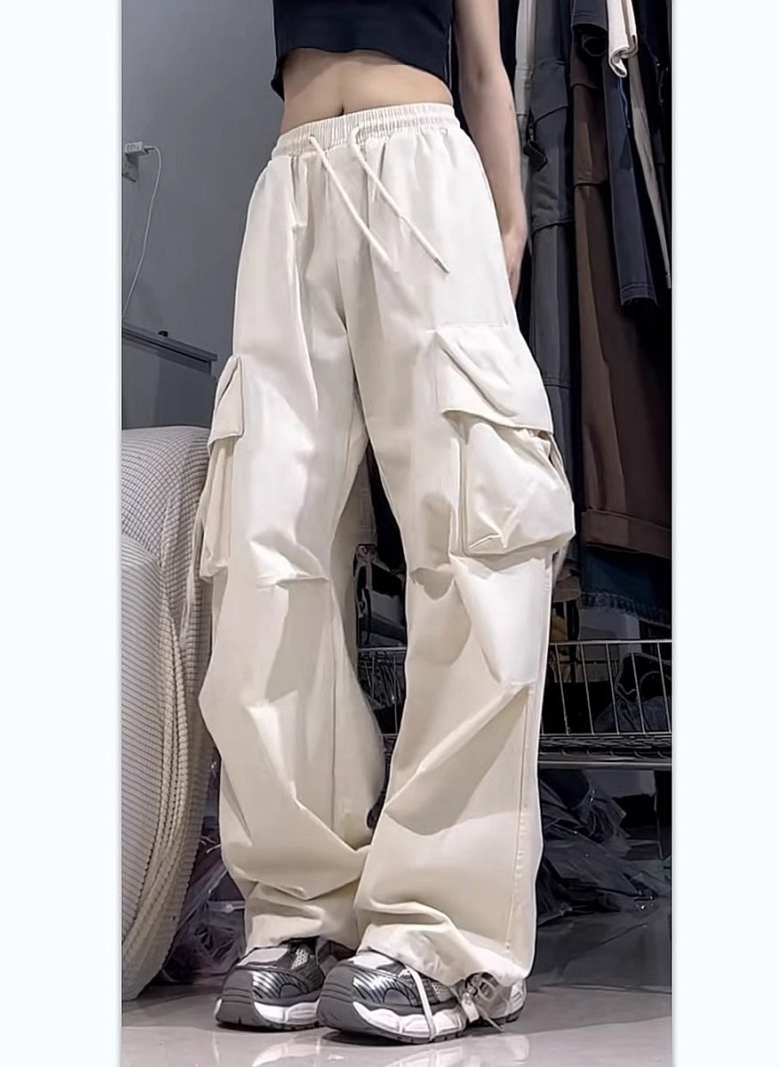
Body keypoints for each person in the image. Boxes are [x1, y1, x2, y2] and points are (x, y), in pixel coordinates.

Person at [188, 0, 575, 1046]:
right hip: (292, 187)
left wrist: (506, 223)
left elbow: (485, 63)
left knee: (474, 529)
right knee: (262, 544)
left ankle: (445, 932)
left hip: (423, 169)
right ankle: (300, 909)